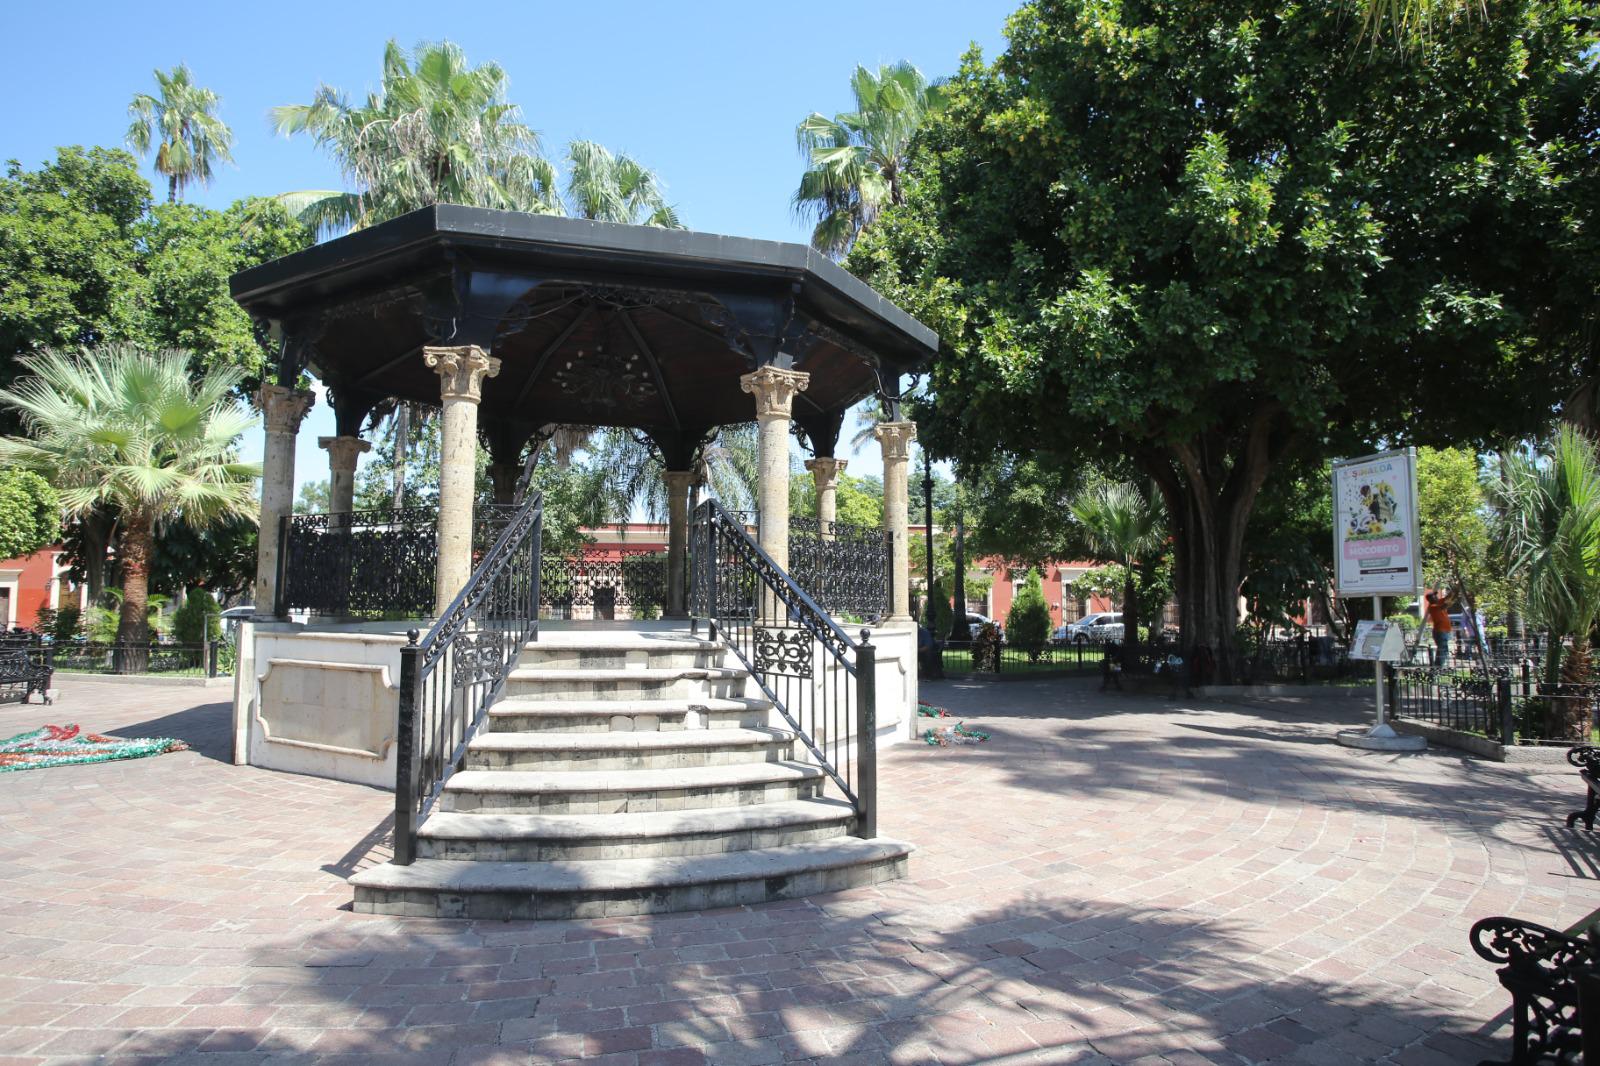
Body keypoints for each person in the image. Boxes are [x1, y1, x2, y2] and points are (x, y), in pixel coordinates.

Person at [1424, 588, 1453, 669]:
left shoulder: (1438, 602)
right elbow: (1445, 605)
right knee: (1442, 649)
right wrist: (1452, 600)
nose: (1437, 598)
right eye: (1434, 597)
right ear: (1430, 599)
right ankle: (1438, 667)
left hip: (1444, 631)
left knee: (1444, 649)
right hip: (1440, 631)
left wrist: (1455, 590)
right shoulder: (1433, 607)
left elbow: (1448, 597)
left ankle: (1440, 666)